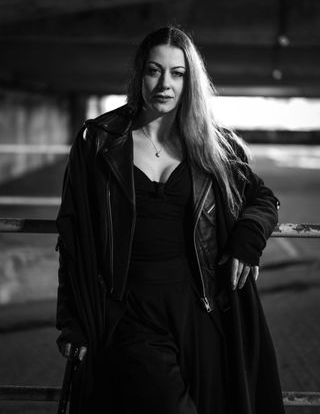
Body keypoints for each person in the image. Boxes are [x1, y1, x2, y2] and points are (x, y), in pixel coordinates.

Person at [56, 26, 285, 414]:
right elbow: (74, 235)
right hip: (130, 312)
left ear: (190, 80)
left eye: (177, 73)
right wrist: (72, 321)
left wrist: (248, 235)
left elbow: (263, 198)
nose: (165, 83)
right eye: (154, 70)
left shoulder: (214, 145)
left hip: (202, 306)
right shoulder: (99, 142)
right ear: (139, 75)